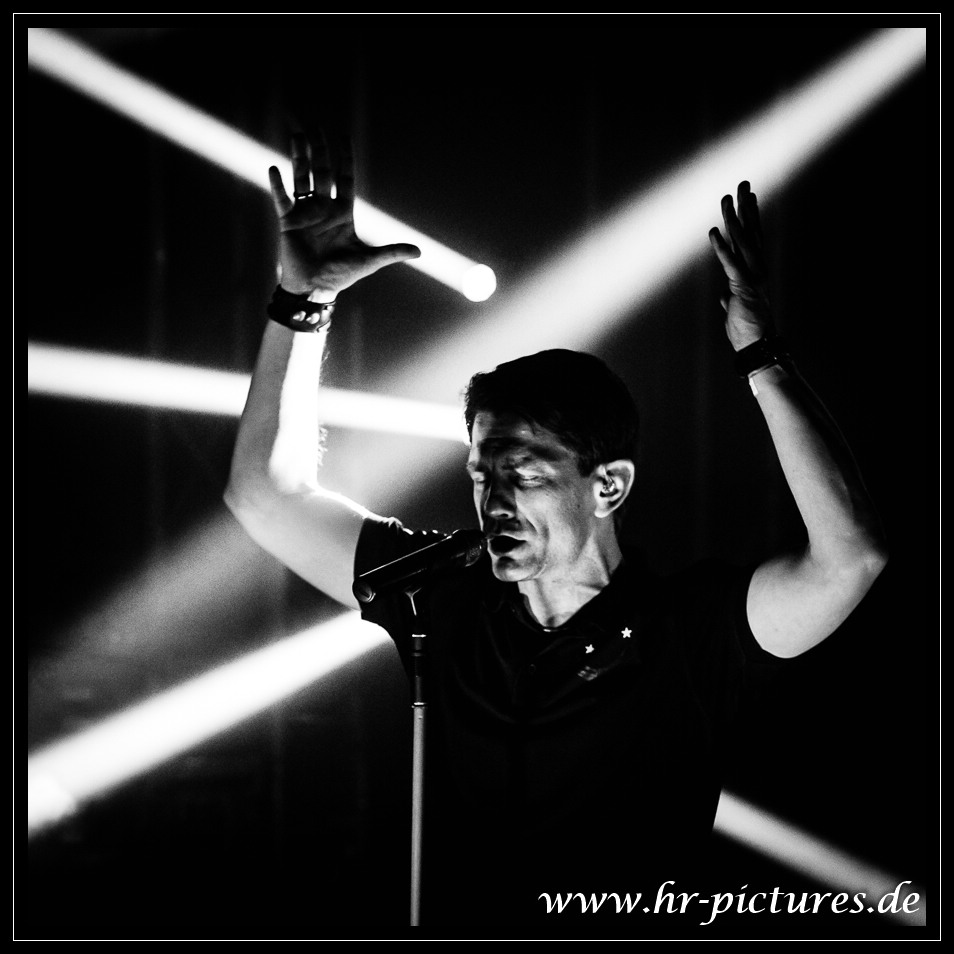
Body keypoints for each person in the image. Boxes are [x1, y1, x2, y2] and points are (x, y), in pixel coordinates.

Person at [224, 131, 888, 928]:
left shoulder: (692, 631)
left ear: (608, 485)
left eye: (526, 472)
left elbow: (850, 558)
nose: (494, 497)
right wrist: (301, 304)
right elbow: (264, 496)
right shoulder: (442, 597)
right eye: (482, 472)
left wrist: (763, 358)